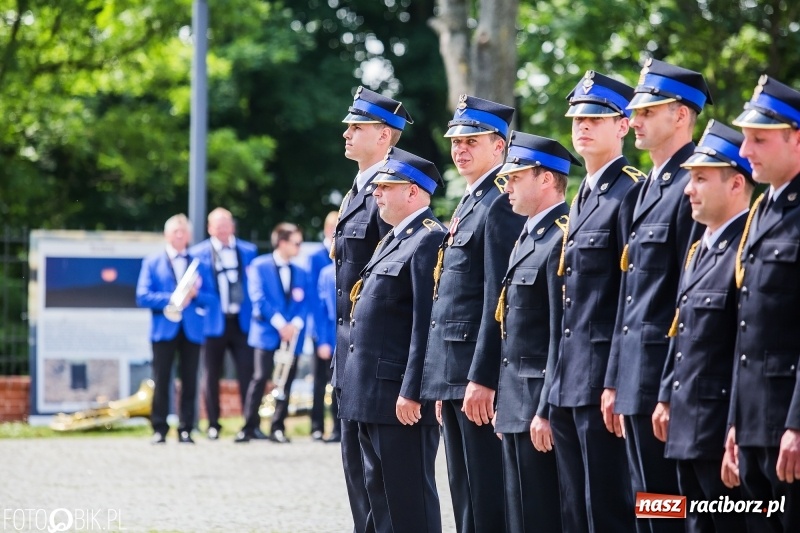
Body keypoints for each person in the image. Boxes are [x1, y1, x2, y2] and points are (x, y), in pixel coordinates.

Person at [603, 58, 710, 533]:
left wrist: (669, 388)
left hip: (664, 380)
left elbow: (689, 299)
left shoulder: (692, 186)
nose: (635, 121)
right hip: (633, 377)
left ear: (681, 115)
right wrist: (613, 379)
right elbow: (628, 296)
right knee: (648, 507)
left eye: (648, 112)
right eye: (635, 112)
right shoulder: (647, 189)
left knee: (671, 509)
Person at [420, 94, 524, 533]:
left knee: (486, 500)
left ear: (499, 146)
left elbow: (498, 299)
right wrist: (443, 381)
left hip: (476, 380)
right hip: (455, 375)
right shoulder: (470, 201)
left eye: (472, 141)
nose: (460, 149)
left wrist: (483, 378)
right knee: (465, 496)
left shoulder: (500, 201)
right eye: (456, 142)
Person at [547, 70, 642, 533]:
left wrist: (616, 379)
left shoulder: (630, 191)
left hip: (602, 377)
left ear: (623, 126)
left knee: (609, 508)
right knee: (574, 510)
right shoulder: (583, 196)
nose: (583, 125)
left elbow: (631, 296)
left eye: (596, 119)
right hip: (569, 378)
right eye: (578, 119)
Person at [650, 120, 752, 533]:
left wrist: (735, 427)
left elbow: (745, 349)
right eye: (690, 178)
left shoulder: (745, 251)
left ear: (736, 184)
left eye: (701, 179)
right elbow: (681, 333)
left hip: (718, 432)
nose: (688, 189)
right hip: (685, 427)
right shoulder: (699, 251)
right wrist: (665, 395)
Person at [337, 146, 445, 533]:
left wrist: (413, 390)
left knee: (409, 504)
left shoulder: (429, 239)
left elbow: (425, 323)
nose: (377, 193)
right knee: (379, 504)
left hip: (399, 397)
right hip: (371, 394)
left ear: (413, 192)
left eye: (386, 187)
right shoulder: (393, 240)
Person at [722, 75, 800, 532]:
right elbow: (747, 330)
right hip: (753, 423)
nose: (745, 150)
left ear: (796, 139)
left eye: (759, 139)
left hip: (788, 427)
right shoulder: (762, 212)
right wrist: (736, 422)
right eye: (745, 137)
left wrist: (797, 424)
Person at [333, 86, 412, 533]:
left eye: (357, 127)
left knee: (384, 489)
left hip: (378, 360)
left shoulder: (393, 193)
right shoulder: (354, 193)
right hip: (349, 358)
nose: (346, 133)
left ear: (384, 136)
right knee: (356, 479)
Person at [494, 132, 576, 533]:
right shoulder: (528, 236)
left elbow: (561, 335)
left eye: (516, 177)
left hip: (538, 406)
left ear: (545, 179)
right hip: (516, 403)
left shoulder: (560, 238)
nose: (507, 186)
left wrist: (545, 410)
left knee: (542, 516)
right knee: (519, 518)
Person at [136, 214, 214, 444]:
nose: (180, 235)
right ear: (166, 235)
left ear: (189, 235)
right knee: (161, 379)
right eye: (175, 231)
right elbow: (142, 296)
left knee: (190, 380)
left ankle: (186, 428)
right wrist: (173, 298)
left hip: (191, 329)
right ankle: (159, 428)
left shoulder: (200, 264)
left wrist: (195, 294)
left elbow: (211, 297)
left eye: (183, 231)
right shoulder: (152, 262)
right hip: (164, 328)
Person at [189, 207, 258, 441]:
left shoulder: (248, 251)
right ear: (210, 228)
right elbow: (194, 290)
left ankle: (250, 425)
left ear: (233, 226)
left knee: (248, 373)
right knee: (211, 375)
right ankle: (212, 424)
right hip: (213, 322)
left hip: (241, 321)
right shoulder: (197, 253)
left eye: (226, 225)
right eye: (218, 226)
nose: (222, 230)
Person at [236, 223, 308, 444]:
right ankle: (249, 426)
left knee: (286, 380)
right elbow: (258, 298)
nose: (299, 247)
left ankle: (278, 427)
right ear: (282, 243)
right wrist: (280, 324)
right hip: (266, 331)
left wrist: (294, 324)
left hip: (291, 336)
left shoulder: (300, 271)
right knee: (260, 377)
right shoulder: (259, 265)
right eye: (296, 243)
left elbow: (306, 302)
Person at [309, 211, 339, 442]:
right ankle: (317, 426)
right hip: (324, 331)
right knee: (320, 382)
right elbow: (317, 303)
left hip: (340, 332)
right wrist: (321, 339)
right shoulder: (318, 262)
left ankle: (338, 427)